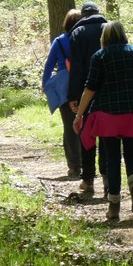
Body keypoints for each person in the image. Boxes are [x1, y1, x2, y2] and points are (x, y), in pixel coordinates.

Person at [72, 21, 133, 221]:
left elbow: (90, 87)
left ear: (104, 37)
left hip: (108, 115)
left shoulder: (100, 56)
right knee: (132, 154)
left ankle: (114, 205)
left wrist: (79, 114)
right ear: (123, 34)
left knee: (112, 158)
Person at [68, 1, 108, 198]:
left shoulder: (77, 33)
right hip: (109, 91)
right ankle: (108, 179)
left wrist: (74, 96)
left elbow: (75, 68)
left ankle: (88, 179)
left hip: (86, 90)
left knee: (87, 135)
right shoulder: (108, 28)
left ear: (83, 15)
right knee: (107, 136)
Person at [42, 9, 83, 179]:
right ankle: (87, 163)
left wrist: (45, 84)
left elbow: (49, 65)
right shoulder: (83, 39)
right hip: (82, 84)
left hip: (64, 87)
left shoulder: (59, 41)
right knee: (84, 124)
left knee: (68, 125)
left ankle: (74, 166)